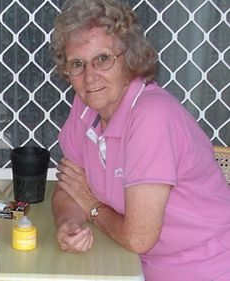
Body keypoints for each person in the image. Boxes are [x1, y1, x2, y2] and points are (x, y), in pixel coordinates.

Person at [50, 0, 230, 280]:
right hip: (135, 265)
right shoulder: (85, 107)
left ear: (130, 60)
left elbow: (138, 238)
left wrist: (93, 206)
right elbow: (70, 188)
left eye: (103, 59)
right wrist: (68, 224)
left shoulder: (152, 117)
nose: (89, 76)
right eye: (77, 64)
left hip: (205, 267)